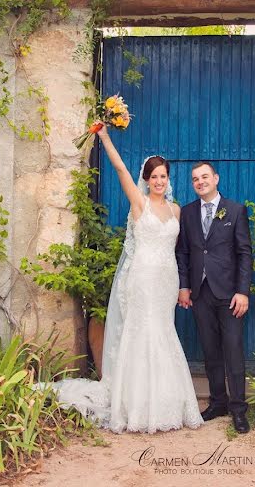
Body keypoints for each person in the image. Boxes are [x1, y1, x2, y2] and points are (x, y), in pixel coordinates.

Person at [43, 125, 203, 433]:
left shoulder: (177, 210)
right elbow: (118, 167)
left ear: (169, 179)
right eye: (154, 176)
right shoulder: (139, 203)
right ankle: (137, 405)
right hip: (141, 278)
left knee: (164, 332)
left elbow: (178, 249)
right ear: (146, 179)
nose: (159, 181)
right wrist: (103, 137)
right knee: (142, 334)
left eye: (163, 176)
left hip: (166, 281)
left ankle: (168, 400)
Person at [175, 161, 253, 434]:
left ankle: (238, 409)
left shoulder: (235, 210)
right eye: (195, 179)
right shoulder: (186, 213)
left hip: (230, 294)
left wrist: (242, 291)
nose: (200, 182)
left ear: (216, 179)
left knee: (233, 351)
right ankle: (218, 402)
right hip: (201, 293)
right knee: (210, 352)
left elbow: (244, 253)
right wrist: (184, 286)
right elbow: (183, 253)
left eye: (204, 177)